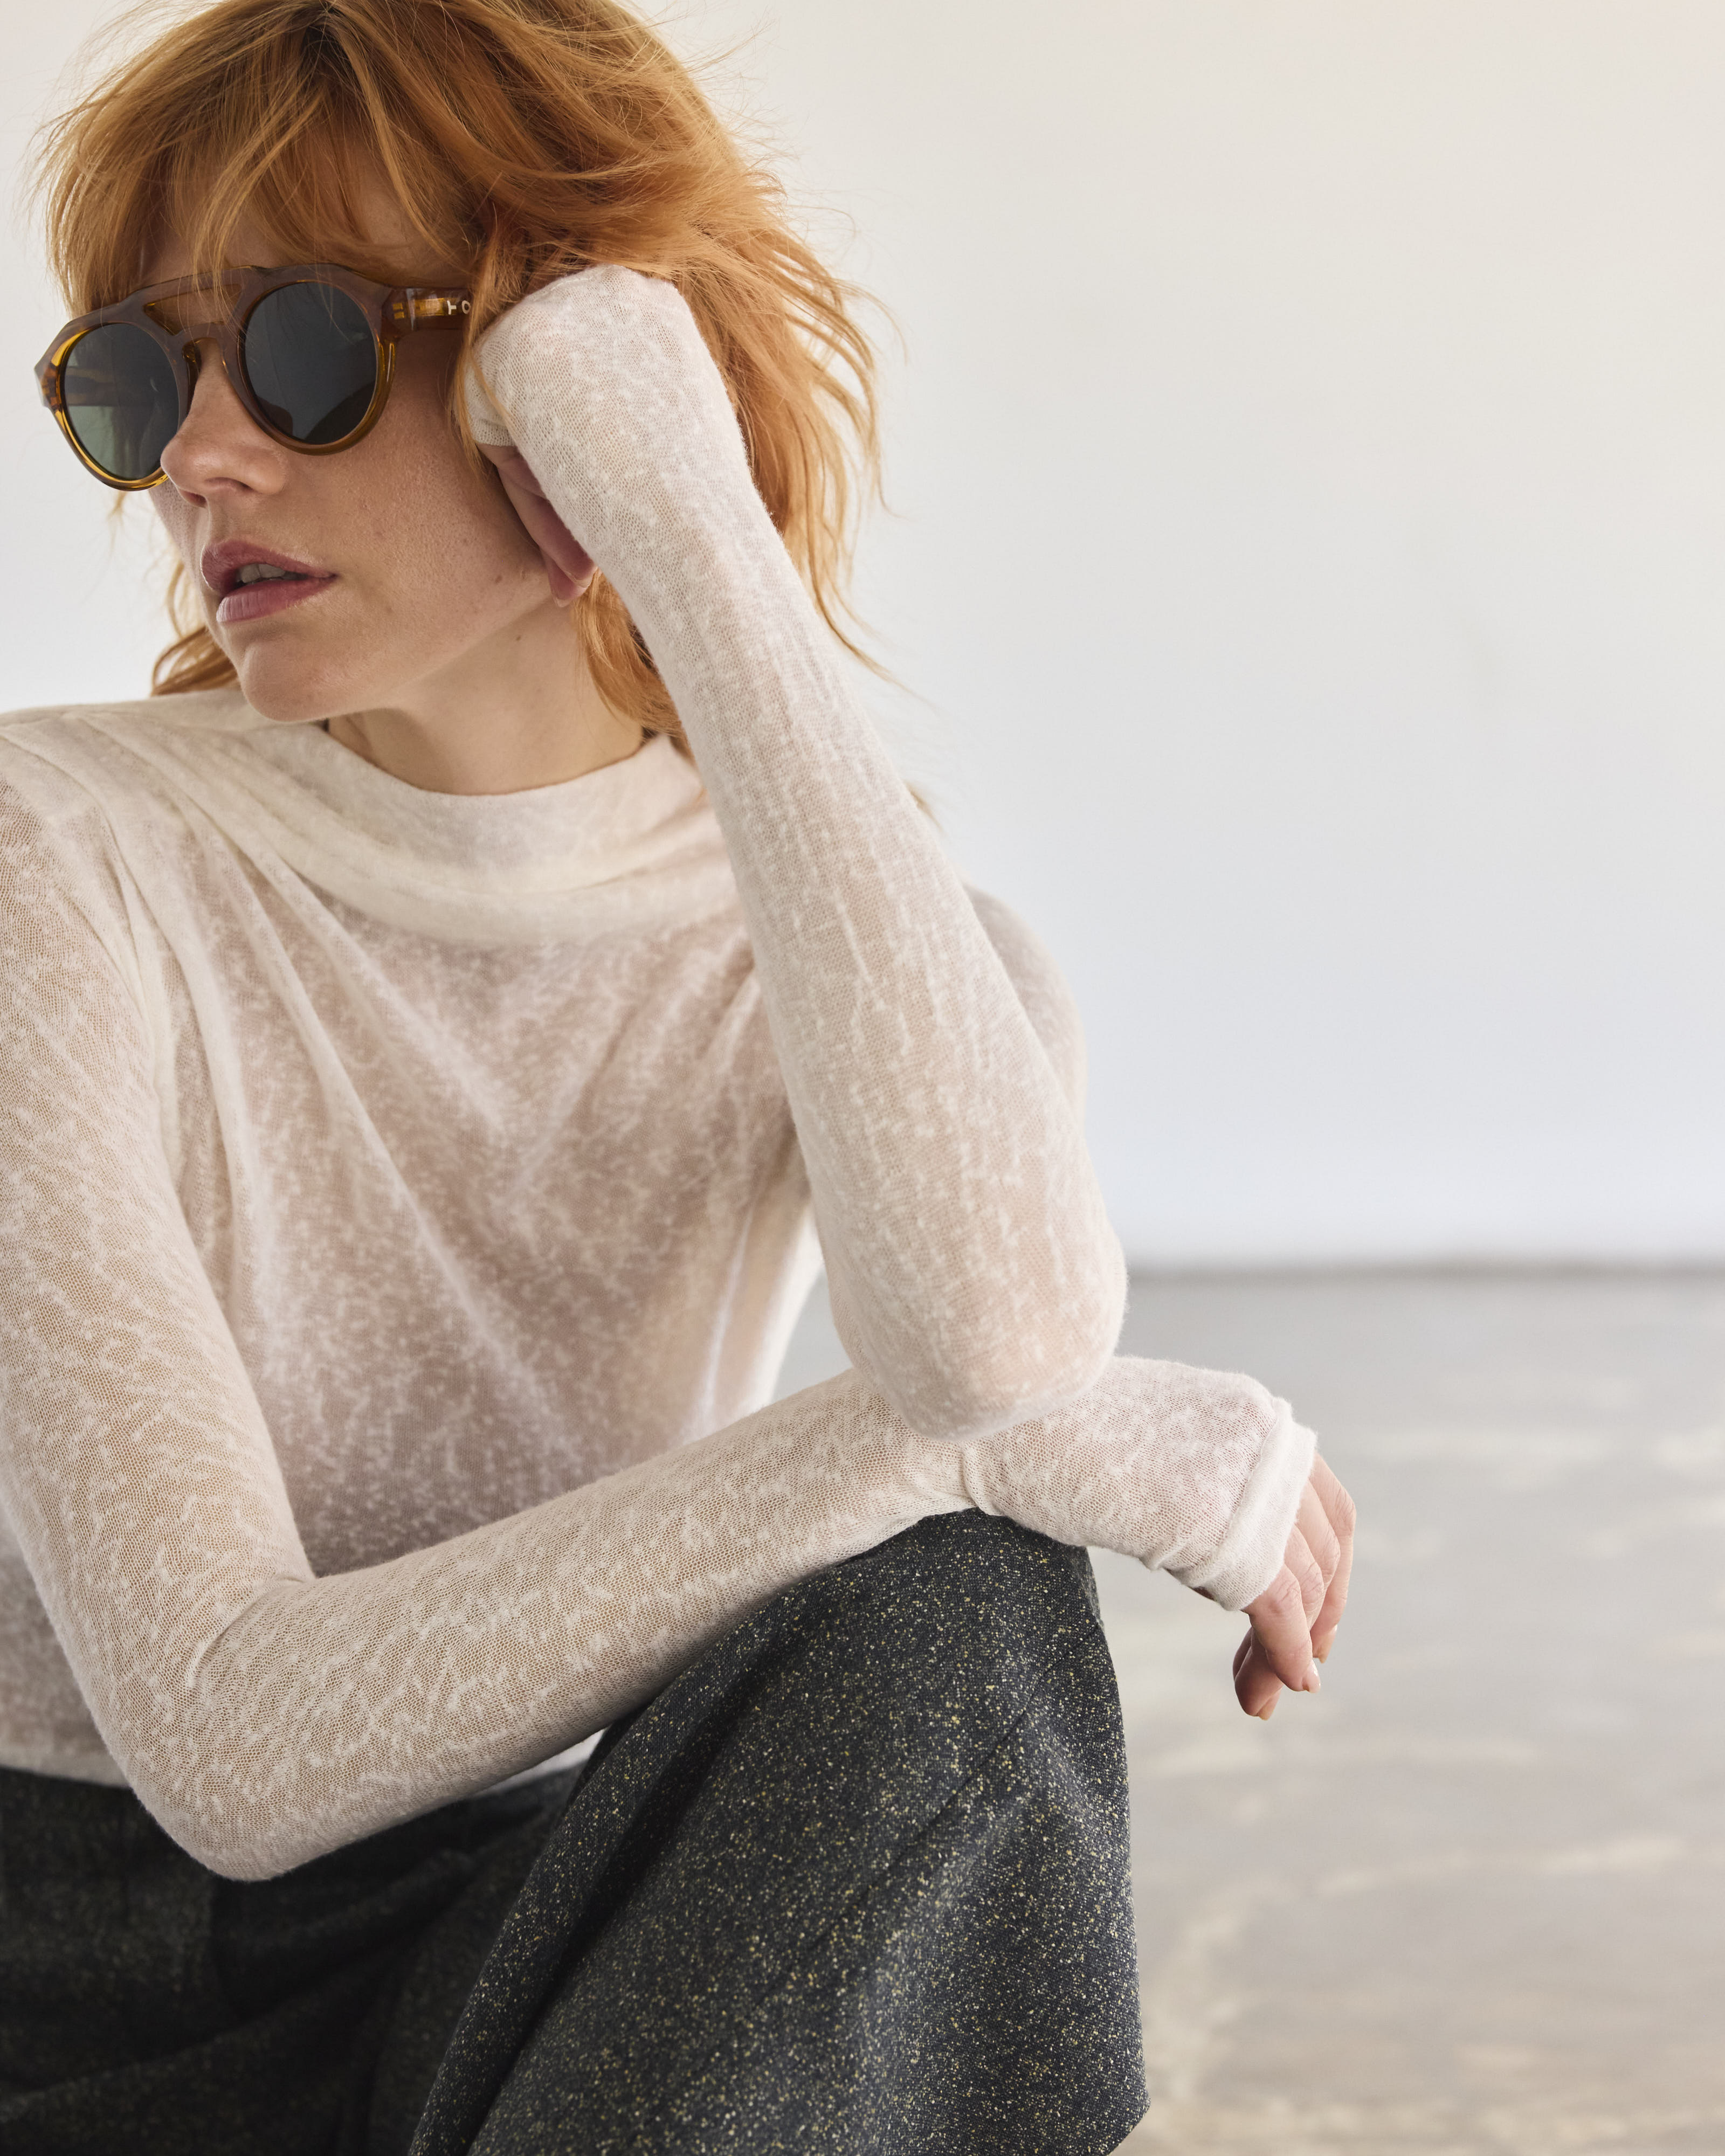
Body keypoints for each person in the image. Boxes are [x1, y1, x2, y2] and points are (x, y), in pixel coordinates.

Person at [0, 1, 1355, 2149]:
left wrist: (696, 542)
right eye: (140, 380)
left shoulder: (863, 940)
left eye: (306, 349)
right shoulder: (53, 860)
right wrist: (1008, 1439)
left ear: (571, 373)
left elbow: (995, 1349)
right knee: (963, 1499)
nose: (201, 460)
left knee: (960, 1623)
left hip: (536, 1958)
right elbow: (234, 1743)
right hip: (74, 1991)